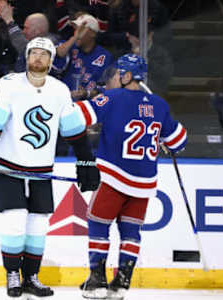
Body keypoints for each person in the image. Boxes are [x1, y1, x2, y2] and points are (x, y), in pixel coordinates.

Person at [0, 37, 100, 299]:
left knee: (37, 225)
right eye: (33, 53)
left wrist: (86, 161)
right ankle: (13, 274)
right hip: (5, 165)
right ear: (26, 57)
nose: (37, 58)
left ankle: (31, 277)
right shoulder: (9, 84)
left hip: (40, 169)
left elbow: (74, 131)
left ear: (51, 60)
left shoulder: (59, 90)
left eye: (43, 54)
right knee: (14, 222)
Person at [74, 54, 187, 299]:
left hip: (113, 177)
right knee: (131, 231)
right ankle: (122, 282)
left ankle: (97, 280)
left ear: (126, 76)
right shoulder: (159, 104)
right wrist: (163, 139)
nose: (114, 78)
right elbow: (179, 141)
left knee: (98, 223)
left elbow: (78, 116)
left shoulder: (112, 97)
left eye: (117, 74)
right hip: (144, 183)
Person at [56, 13, 114, 101]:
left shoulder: (105, 57)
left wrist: (87, 93)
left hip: (89, 105)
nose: (77, 32)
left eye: (81, 29)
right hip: (63, 101)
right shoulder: (69, 45)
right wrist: (75, 37)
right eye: (75, 29)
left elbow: (107, 88)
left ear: (92, 33)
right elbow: (57, 54)